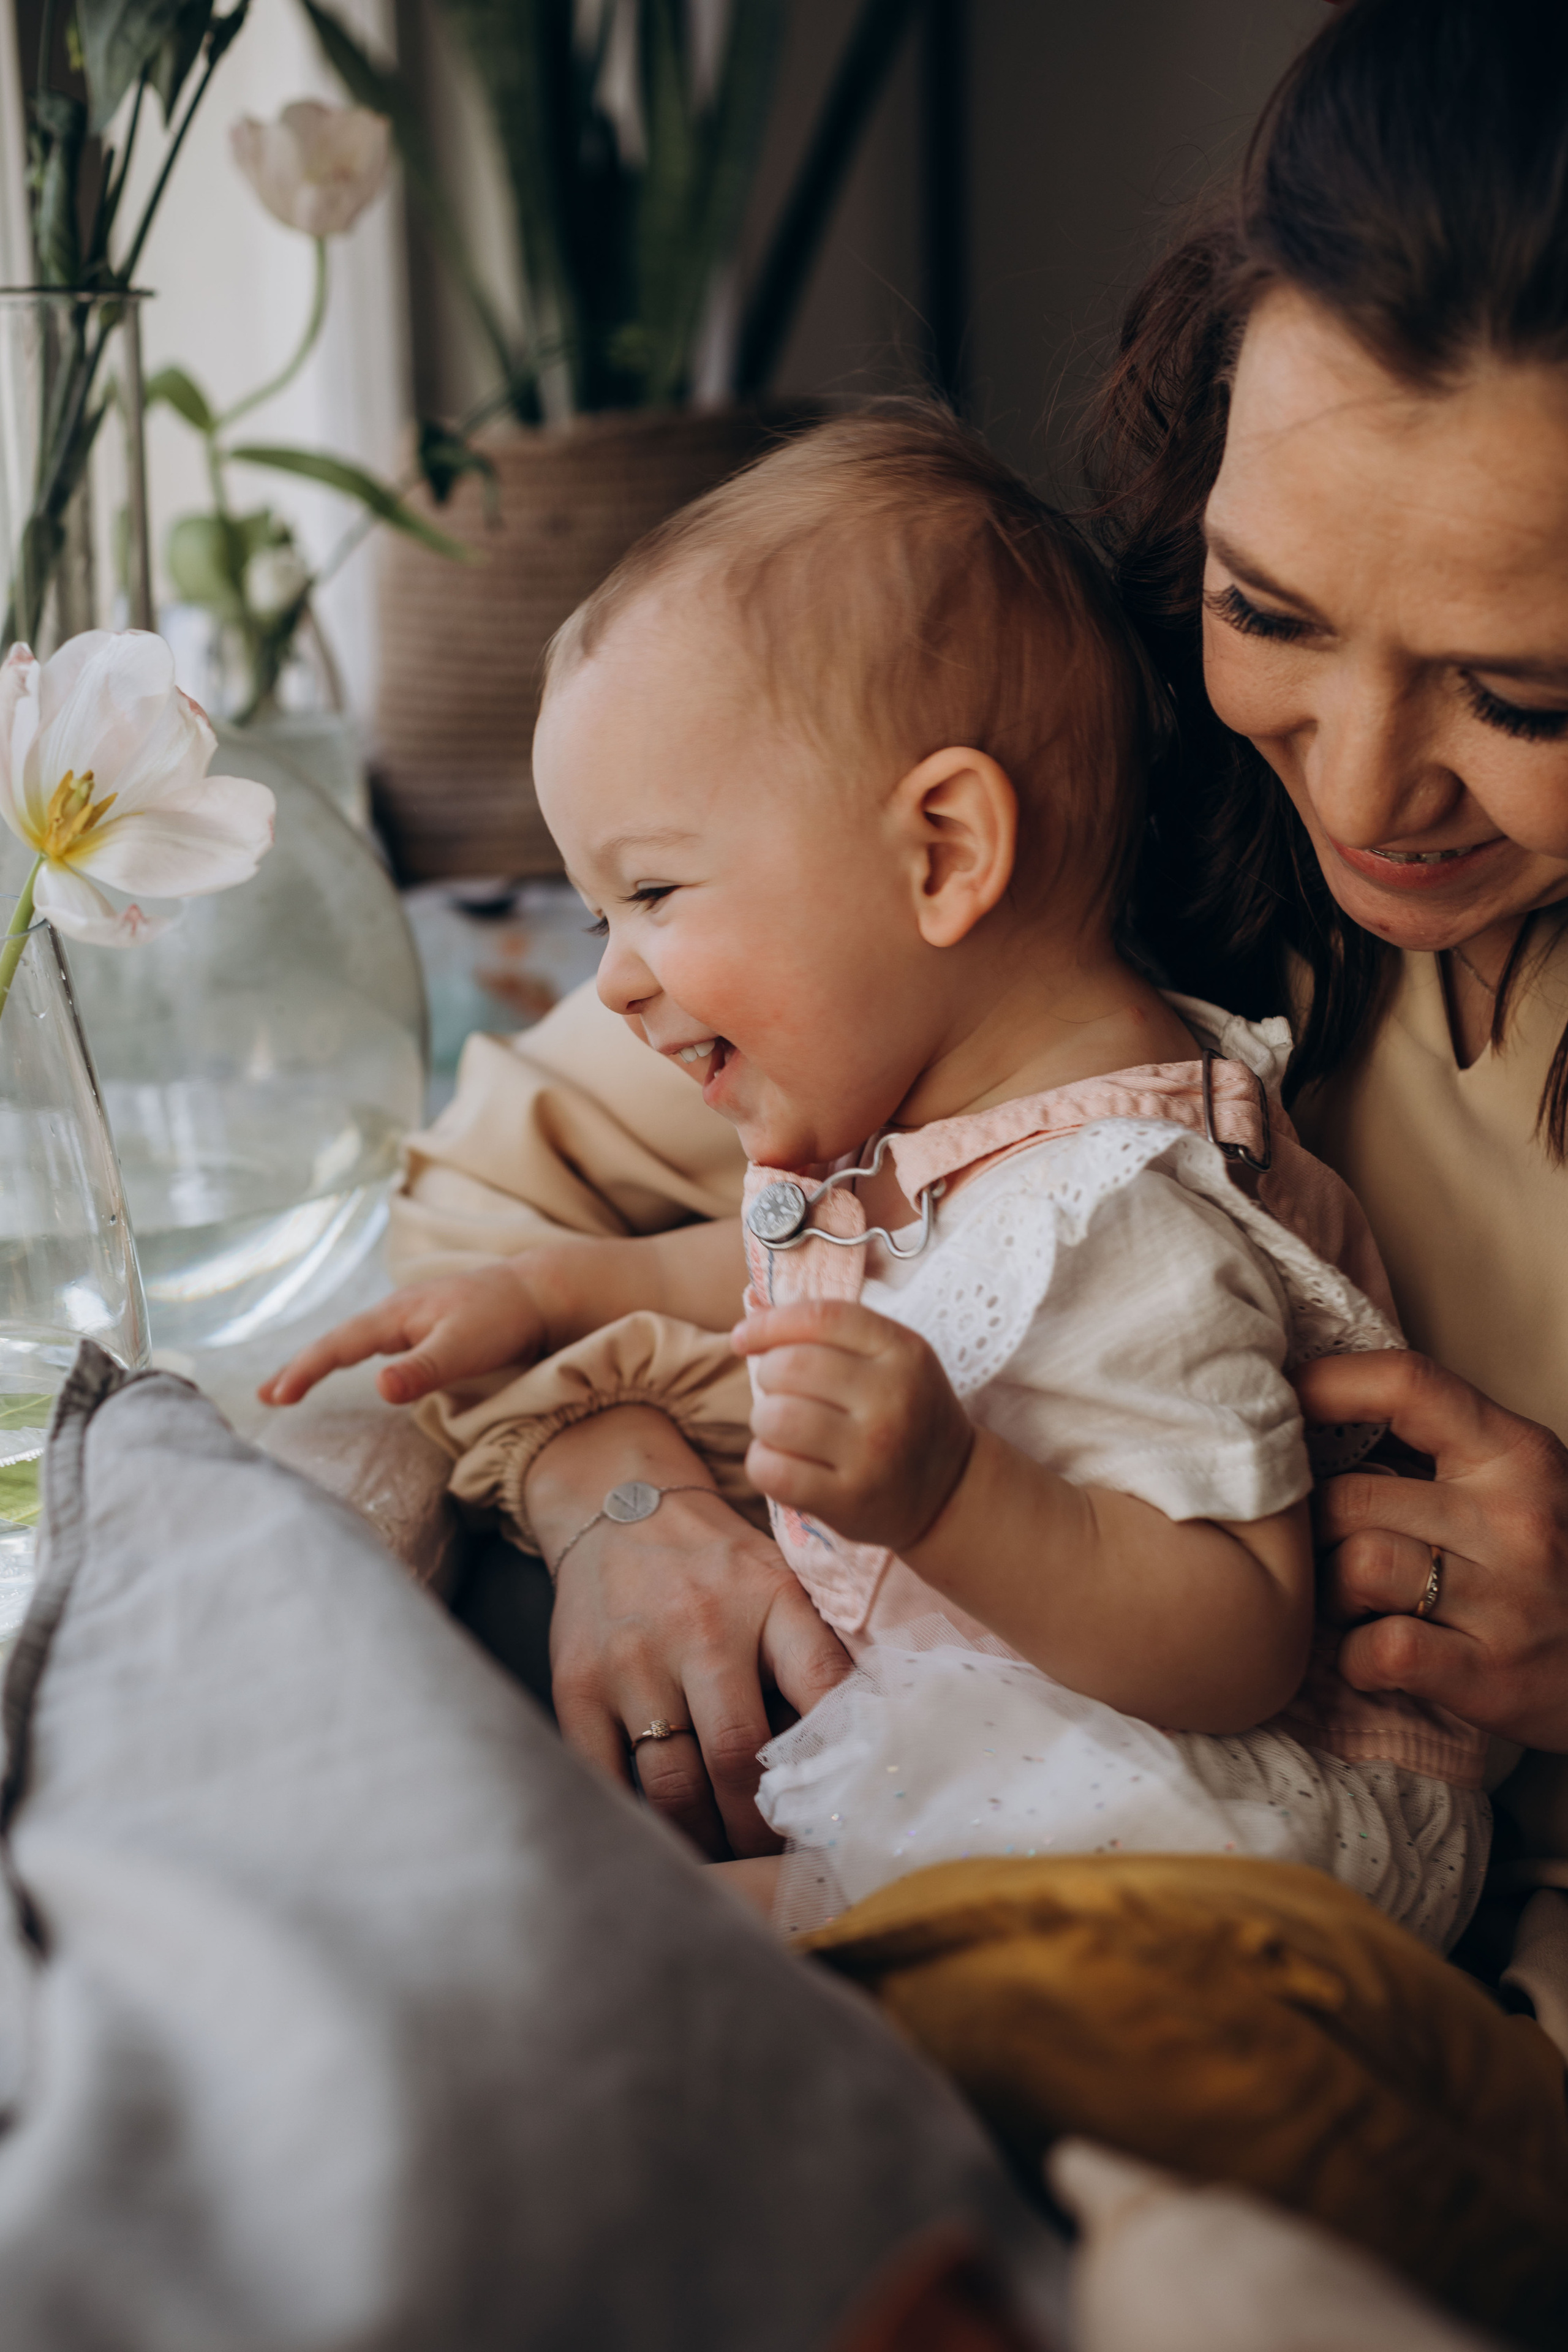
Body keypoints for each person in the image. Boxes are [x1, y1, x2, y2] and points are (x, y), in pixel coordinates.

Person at [273, 1, 1568, 1959]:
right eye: (1270, 611)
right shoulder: (1094, 795)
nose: (1365, 791)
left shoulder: (1135, 1163)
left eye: (1525, 695)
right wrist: (620, 1499)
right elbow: (512, 1195)